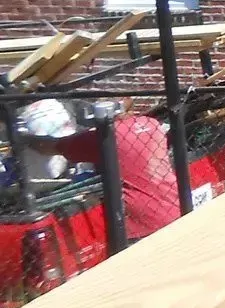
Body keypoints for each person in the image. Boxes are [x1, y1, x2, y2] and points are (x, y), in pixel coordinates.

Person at [17, 102, 185, 243]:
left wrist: (24, 140)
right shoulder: (152, 124)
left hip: (139, 223)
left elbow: (50, 147)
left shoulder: (104, 137)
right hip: (175, 206)